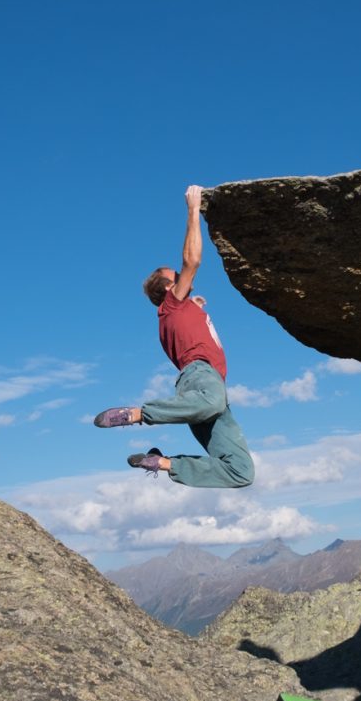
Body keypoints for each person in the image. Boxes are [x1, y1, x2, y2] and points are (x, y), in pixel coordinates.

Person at [92, 185, 255, 488]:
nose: (183, 279)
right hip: (202, 380)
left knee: (241, 471)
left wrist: (195, 305)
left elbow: (186, 310)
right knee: (212, 402)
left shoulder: (177, 311)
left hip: (206, 392)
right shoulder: (172, 305)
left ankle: (162, 463)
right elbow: (192, 261)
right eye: (177, 279)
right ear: (169, 289)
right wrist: (193, 209)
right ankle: (139, 414)